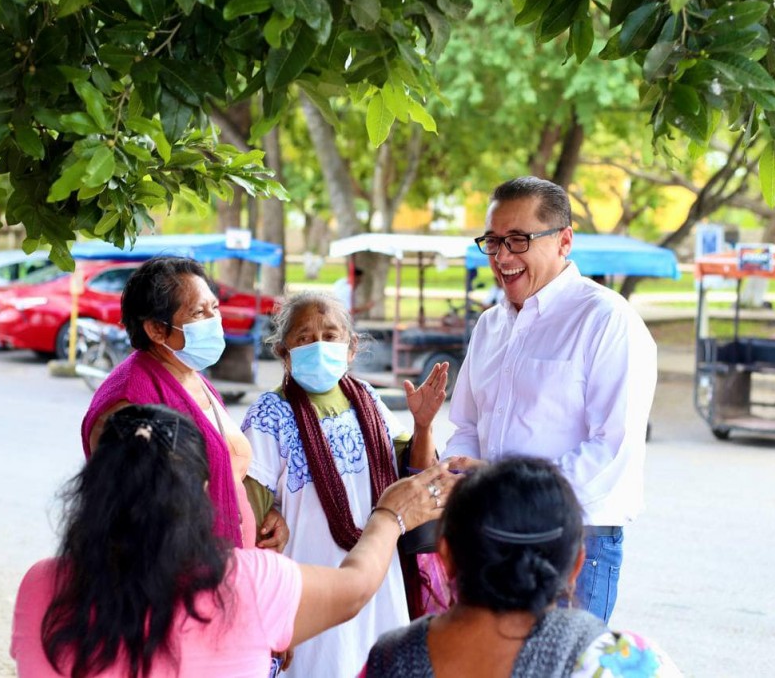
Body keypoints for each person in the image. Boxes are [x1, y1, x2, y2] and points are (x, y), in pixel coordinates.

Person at [12, 404, 460, 677]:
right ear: (203, 492)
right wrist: (389, 516)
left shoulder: (40, 586)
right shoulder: (248, 583)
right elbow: (355, 589)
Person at [444, 176, 657, 624]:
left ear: (563, 241)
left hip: (573, 540)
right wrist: (459, 478)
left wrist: (510, 490)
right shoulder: (489, 326)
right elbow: (465, 425)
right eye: (493, 241)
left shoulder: (606, 321)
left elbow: (610, 449)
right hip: (488, 535)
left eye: (518, 240)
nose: (502, 257)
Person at [241, 291, 450, 678]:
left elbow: (415, 475)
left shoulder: (368, 399)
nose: (318, 345)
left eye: (331, 335)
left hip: (379, 579)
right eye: (304, 338)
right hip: (308, 591)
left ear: (351, 348)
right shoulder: (270, 413)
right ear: (284, 353)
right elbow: (245, 512)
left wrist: (423, 426)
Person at [363, 458, 680, 678]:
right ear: (576, 566)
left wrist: (387, 519)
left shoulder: (389, 661)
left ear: (445, 555)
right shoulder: (629, 662)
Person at [81, 256, 283, 552]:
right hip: (180, 570)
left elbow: (225, 470)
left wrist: (264, 512)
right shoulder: (129, 402)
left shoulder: (191, 375)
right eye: (198, 312)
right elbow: (137, 514)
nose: (214, 321)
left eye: (214, 307)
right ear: (156, 329)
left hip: (228, 557)